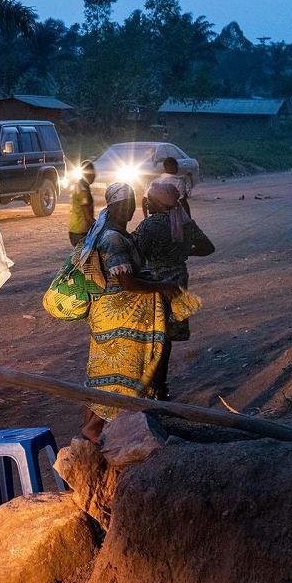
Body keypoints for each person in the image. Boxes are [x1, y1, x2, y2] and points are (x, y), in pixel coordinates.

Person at [77, 183, 181, 443]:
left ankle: (89, 430)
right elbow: (126, 283)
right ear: (112, 206)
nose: (130, 209)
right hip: (117, 316)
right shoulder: (112, 238)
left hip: (107, 316)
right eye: (125, 204)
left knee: (102, 377)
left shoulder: (111, 232)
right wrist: (161, 287)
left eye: (132, 203)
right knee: (124, 375)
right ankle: (94, 428)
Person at [133, 181, 215, 400]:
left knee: (150, 336)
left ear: (158, 203)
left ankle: (150, 386)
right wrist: (183, 253)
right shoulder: (185, 223)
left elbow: (136, 255)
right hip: (178, 281)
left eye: (149, 200)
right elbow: (208, 248)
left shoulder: (149, 226)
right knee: (166, 337)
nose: (146, 203)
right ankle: (161, 387)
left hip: (155, 284)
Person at [68, 160, 97, 245]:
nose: (95, 177)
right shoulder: (83, 190)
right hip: (80, 232)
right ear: (89, 174)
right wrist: (99, 226)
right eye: (94, 174)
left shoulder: (79, 185)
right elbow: (87, 216)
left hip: (75, 229)